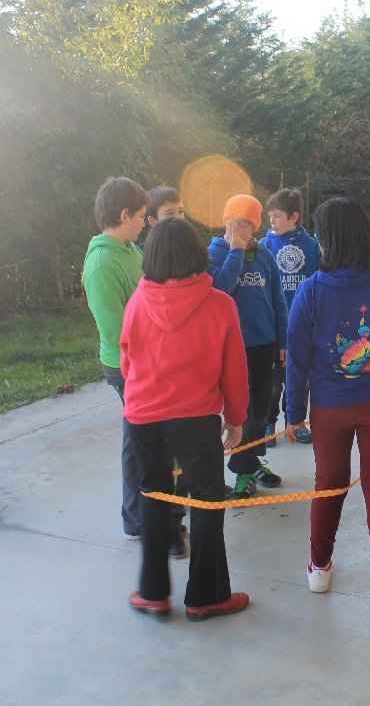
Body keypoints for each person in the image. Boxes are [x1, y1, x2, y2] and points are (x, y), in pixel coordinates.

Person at [285, 197, 370, 607]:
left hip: (329, 408)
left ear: (327, 242)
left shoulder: (310, 291)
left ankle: (319, 568)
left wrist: (294, 414)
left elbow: (297, 360)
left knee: (327, 485)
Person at [121, 217, 250, 620]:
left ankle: (153, 593)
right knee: (207, 500)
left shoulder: (137, 302)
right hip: (195, 419)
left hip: (142, 417)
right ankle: (207, 595)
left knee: (153, 496)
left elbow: (127, 360)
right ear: (197, 253)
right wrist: (236, 417)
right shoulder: (220, 304)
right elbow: (235, 370)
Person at [208, 194, 289, 499]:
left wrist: (283, 339)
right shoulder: (215, 254)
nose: (238, 227)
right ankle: (243, 470)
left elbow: (278, 301)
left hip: (265, 343)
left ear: (254, 225)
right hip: (234, 349)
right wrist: (236, 252)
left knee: (261, 408)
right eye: (233, 221)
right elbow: (219, 289)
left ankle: (252, 463)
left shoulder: (265, 256)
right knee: (241, 412)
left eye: (245, 222)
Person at [82, 177, 150, 540]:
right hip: (128, 367)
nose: (143, 223)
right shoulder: (102, 264)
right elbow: (115, 330)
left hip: (147, 361)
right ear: (124, 215)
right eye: (140, 216)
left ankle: (146, 511)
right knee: (139, 441)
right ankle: (137, 517)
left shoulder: (129, 249)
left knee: (140, 437)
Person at [141, 185, 191, 558]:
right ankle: (169, 530)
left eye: (181, 212)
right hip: (162, 396)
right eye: (169, 213)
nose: (178, 219)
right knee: (166, 469)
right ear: (150, 221)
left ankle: (173, 523)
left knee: (174, 469)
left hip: (176, 395)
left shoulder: (189, 257)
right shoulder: (145, 276)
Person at [260, 188, 320, 446]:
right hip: (274, 327)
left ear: (294, 217)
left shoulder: (313, 247)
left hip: (304, 326)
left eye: (277, 216)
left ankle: (296, 422)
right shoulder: (264, 246)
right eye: (269, 216)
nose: (271, 221)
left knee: (299, 379)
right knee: (273, 383)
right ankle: (268, 424)